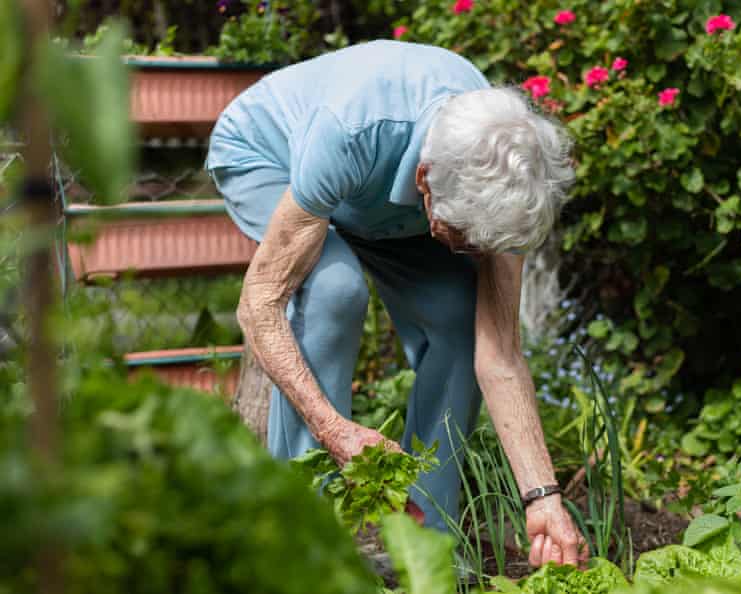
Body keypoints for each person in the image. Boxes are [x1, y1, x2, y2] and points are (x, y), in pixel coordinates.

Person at [206, 39, 586, 568]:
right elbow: (259, 306)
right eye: (463, 238)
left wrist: (543, 498)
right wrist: (335, 432)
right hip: (269, 155)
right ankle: (303, 549)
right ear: (425, 183)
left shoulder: (510, 180)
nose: (472, 254)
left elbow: (499, 352)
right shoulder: (354, 126)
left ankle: (427, 548)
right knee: (333, 290)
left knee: (458, 313)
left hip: (372, 199)